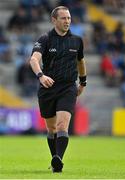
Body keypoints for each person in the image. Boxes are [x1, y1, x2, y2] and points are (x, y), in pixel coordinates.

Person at [30, 6, 87, 173]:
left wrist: (83, 82)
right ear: (54, 20)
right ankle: (55, 160)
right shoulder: (45, 39)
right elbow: (33, 60)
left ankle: (59, 159)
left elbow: (81, 61)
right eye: (63, 18)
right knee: (51, 129)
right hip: (48, 87)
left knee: (62, 125)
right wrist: (41, 75)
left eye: (69, 18)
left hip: (68, 87)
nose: (67, 21)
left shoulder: (77, 40)